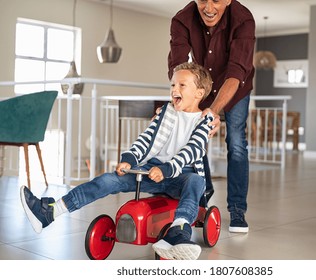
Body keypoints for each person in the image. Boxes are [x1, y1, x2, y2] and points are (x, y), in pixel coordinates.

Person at [20, 62, 214, 260]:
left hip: (180, 174)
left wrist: (167, 169)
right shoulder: (165, 112)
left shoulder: (204, 120)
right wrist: (129, 159)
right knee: (109, 180)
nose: (174, 89)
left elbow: (193, 149)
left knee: (196, 181)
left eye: (182, 85)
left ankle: (179, 232)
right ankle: (50, 211)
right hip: (152, 169)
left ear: (199, 93)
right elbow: (146, 138)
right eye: (173, 85)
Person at [168, 0, 255, 233]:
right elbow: (178, 66)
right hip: (202, 85)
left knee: (236, 142)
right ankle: (203, 193)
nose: (208, 7)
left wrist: (214, 111)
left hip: (235, 87)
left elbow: (237, 71)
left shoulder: (243, 20)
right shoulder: (182, 19)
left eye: (216, 0)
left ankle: (237, 210)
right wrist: (178, 100)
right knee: (194, 138)